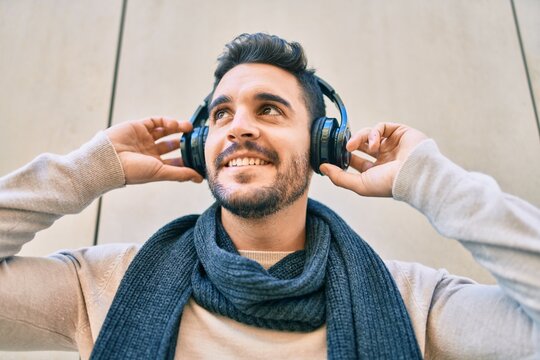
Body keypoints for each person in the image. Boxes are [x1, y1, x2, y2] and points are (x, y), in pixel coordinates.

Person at [0, 33, 539, 360]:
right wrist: (87, 170)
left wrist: (429, 179)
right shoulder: (102, 286)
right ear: (198, 147)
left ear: (321, 143)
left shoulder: (414, 302)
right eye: (220, 115)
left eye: (270, 110)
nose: (237, 128)